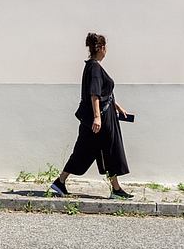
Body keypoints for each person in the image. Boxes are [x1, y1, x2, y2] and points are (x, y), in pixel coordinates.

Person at [50, 32, 134, 199]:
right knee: (102, 151)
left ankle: (61, 182)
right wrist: (97, 117)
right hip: (99, 120)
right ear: (101, 48)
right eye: (106, 48)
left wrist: (117, 107)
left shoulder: (92, 66)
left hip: (101, 118)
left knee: (92, 151)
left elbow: (103, 93)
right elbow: (94, 94)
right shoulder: (95, 67)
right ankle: (115, 189)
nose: (106, 50)